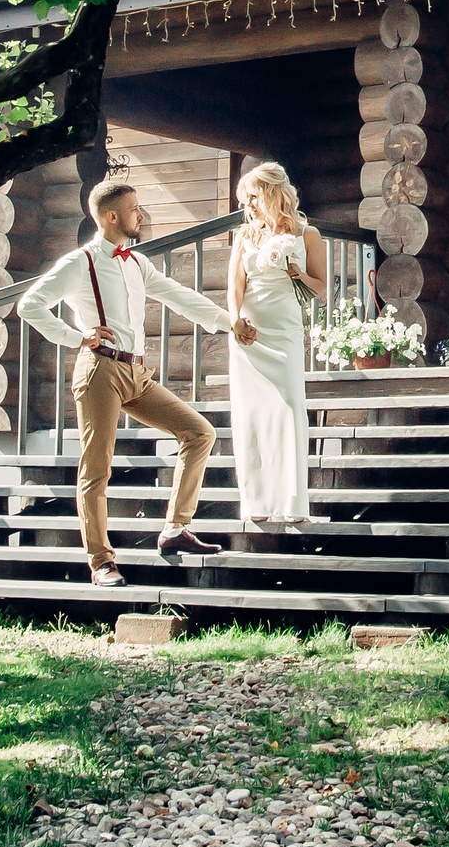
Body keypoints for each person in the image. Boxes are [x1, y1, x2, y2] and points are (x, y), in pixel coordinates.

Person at [18, 179, 255, 587]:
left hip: (137, 374)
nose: (140, 214)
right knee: (97, 470)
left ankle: (175, 528)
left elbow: (179, 295)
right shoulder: (81, 262)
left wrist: (228, 323)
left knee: (199, 432)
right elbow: (29, 305)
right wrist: (78, 337)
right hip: (100, 372)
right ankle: (100, 562)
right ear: (112, 217)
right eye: (134, 209)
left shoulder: (135, 261)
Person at [226, 161, 325, 524]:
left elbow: (321, 288)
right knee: (251, 415)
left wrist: (296, 274)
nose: (247, 206)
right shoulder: (244, 236)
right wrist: (235, 319)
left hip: (284, 331)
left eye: (251, 197)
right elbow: (235, 286)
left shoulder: (307, 235)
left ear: (271, 193)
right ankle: (257, 503)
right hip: (250, 333)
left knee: (288, 408)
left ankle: (292, 503)